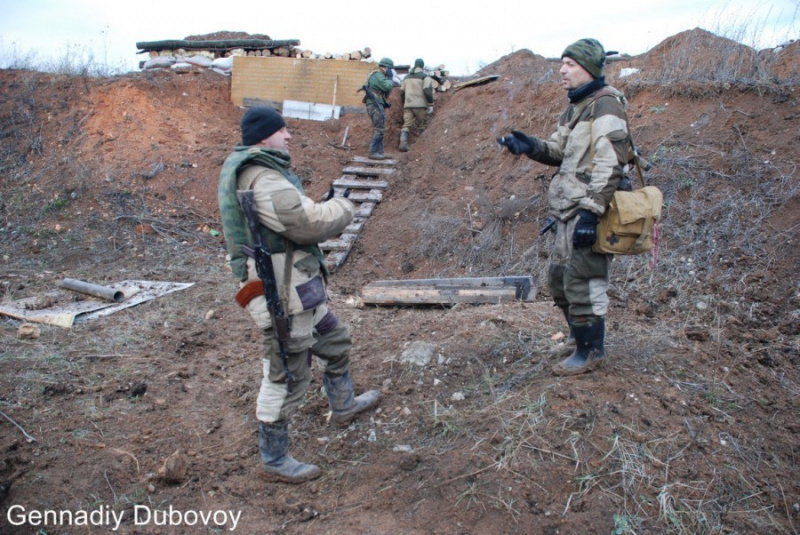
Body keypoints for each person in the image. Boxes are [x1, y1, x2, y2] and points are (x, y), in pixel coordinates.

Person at [218, 107, 380, 483]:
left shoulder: (261, 172)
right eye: (282, 130)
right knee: (286, 374)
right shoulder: (264, 179)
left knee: (335, 339)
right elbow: (306, 223)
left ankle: (343, 405)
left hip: (298, 287)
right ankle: (274, 459)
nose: (289, 135)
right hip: (284, 295)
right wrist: (342, 207)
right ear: (264, 137)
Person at [498, 38, 633, 376]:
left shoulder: (606, 105)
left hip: (589, 209)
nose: (562, 70)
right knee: (559, 280)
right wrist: (529, 146)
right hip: (567, 209)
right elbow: (559, 151)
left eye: (570, 64)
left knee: (583, 280)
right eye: (562, 63)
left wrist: (592, 212)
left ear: (588, 68)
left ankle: (592, 352)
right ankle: (578, 338)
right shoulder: (575, 107)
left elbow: (611, 162)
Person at [398, 58, 434, 152]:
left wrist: (404, 103)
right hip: (420, 105)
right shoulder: (425, 77)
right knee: (422, 124)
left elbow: (402, 92)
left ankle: (403, 144)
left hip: (408, 105)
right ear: (422, 66)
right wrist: (430, 103)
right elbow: (427, 90)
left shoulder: (406, 77)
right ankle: (423, 146)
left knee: (406, 125)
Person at [363, 57, 395, 160]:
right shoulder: (377, 75)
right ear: (385, 67)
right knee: (379, 129)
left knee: (380, 128)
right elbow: (387, 87)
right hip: (374, 104)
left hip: (376, 103)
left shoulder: (378, 75)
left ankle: (380, 152)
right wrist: (390, 79)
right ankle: (372, 152)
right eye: (390, 69)